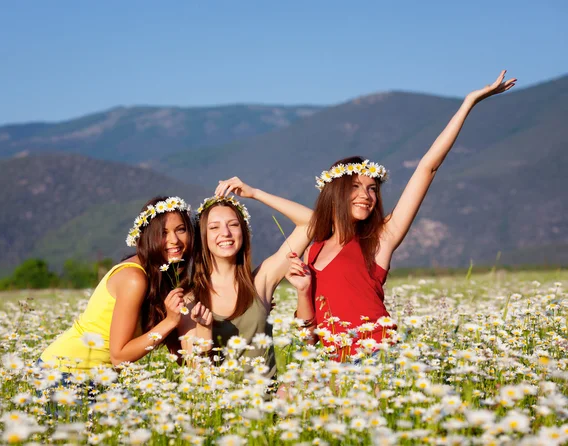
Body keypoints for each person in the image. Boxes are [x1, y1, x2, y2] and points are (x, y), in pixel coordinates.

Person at [286, 71, 517, 362]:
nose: (366, 195)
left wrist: (468, 103)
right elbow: (307, 338)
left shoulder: (381, 238)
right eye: (356, 187)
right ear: (336, 192)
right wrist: (303, 291)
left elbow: (427, 168)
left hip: (376, 359)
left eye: (372, 189)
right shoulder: (313, 251)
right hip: (334, 369)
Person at [39, 196, 212, 373]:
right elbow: (119, 357)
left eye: (181, 229)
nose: (174, 240)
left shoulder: (165, 278)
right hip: (65, 371)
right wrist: (170, 321)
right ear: (148, 237)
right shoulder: (134, 278)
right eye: (163, 233)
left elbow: (184, 359)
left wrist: (204, 330)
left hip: (99, 377)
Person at [183, 179, 313, 380]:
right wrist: (204, 331)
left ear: (243, 232)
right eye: (214, 227)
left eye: (233, 225)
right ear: (202, 237)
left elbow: (310, 222)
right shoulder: (190, 300)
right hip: (221, 407)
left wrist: (255, 193)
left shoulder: (261, 282)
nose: (225, 233)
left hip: (267, 406)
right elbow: (197, 377)